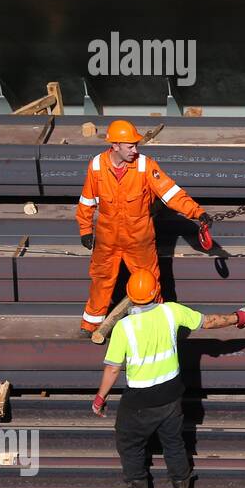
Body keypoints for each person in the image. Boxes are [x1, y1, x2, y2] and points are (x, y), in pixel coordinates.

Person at [92, 270, 245, 488]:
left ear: (129, 295)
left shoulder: (124, 327)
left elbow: (112, 368)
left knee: (129, 441)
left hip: (140, 399)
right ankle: (181, 484)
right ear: (156, 291)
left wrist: (100, 397)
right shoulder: (171, 312)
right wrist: (239, 317)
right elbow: (209, 321)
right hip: (171, 393)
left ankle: (138, 484)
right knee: (173, 441)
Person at [75, 119, 212, 336]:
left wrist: (197, 212)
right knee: (101, 280)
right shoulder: (97, 166)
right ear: (115, 145)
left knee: (149, 282)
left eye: (136, 145)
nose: (135, 150)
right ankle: (90, 325)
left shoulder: (145, 166)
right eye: (130, 146)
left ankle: (156, 324)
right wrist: (85, 230)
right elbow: (87, 201)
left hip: (139, 240)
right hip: (107, 238)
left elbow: (170, 193)